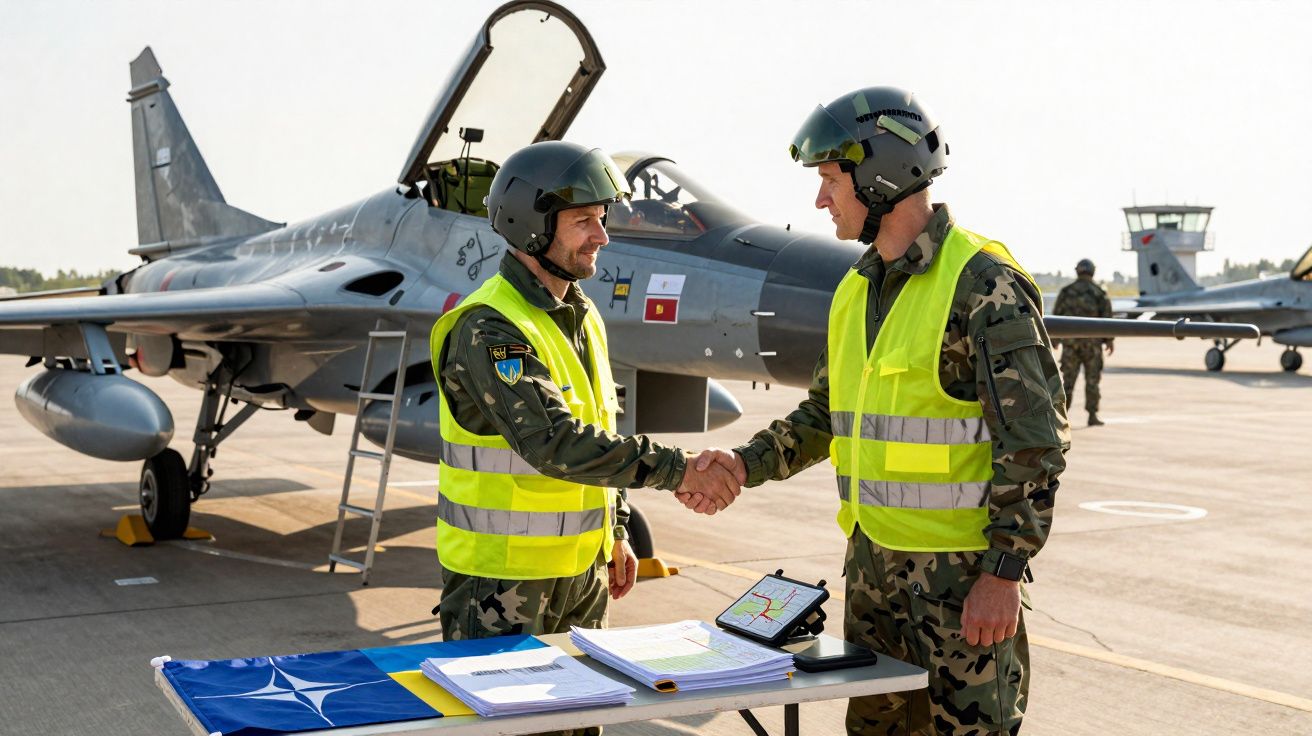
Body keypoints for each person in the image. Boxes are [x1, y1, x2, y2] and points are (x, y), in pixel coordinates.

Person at [683, 87, 1070, 734]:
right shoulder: (855, 290)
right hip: (874, 583)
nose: (820, 199)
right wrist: (744, 465)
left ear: (880, 177)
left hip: (960, 588)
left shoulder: (983, 285)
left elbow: (1034, 443)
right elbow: (824, 415)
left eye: (831, 180)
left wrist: (1003, 574)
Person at [429, 142, 740, 708]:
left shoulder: (583, 316)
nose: (602, 236)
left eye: (602, 218)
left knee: (582, 722)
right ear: (532, 227)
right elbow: (553, 441)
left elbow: (600, 426)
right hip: (502, 588)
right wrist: (680, 470)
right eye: (583, 222)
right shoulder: (489, 327)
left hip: (582, 580)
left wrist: (615, 529)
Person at [1053, 259, 1114, 426]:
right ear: (1093, 271)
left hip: (1070, 345)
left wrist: (1055, 338)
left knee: (1067, 383)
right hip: (1092, 346)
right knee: (1092, 381)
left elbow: (1057, 315)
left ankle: (1061, 418)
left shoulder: (1067, 291)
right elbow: (1107, 319)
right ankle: (1092, 415)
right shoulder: (1099, 292)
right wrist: (1109, 340)